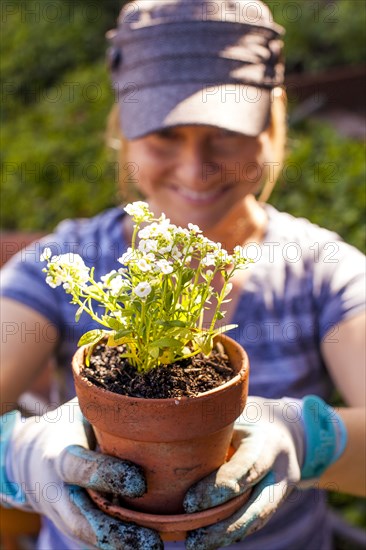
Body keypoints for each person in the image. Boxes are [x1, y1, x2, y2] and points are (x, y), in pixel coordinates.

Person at [1, 1, 365, 549]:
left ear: (273, 120)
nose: (196, 168)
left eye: (225, 132)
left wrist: (310, 439)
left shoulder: (322, 272)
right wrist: (18, 455)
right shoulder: (58, 264)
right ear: (123, 129)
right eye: (165, 135)